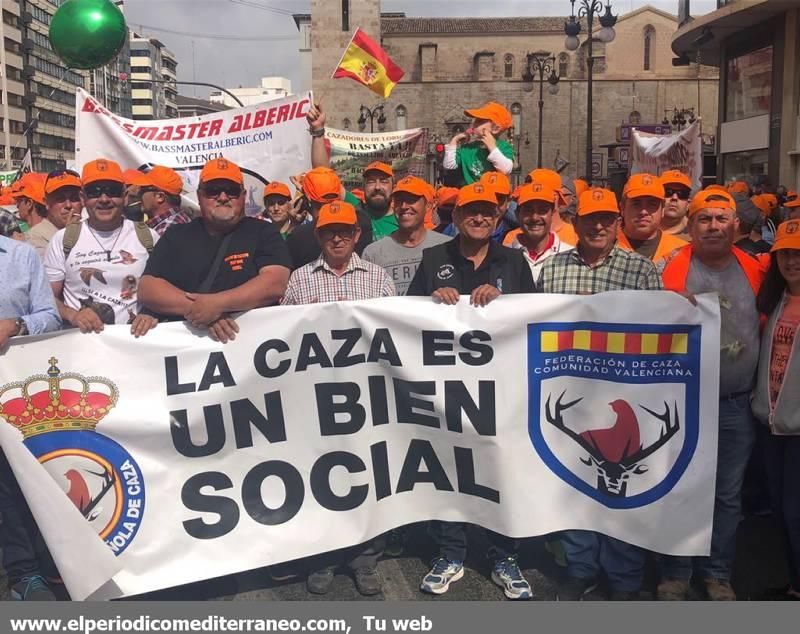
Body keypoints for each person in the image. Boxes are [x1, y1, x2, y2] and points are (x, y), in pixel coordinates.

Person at [407, 182, 535, 600]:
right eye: (470, 212)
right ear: (456, 217)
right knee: (450, 469)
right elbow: (407, 319)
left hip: (502, 390)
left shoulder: (513, 262)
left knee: (503, 471)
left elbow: (534, 319)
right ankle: (450, 553)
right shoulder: (433, 258)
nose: (479, 218)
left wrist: (505, 301)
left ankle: (505, 555)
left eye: (488, 212)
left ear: (498, 218)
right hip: (448, 391)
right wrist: (431, 299)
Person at [538, 188, 660, 601]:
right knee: (575, 486)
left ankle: (624, 577)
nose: (599, 226)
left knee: (623, 493)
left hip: (623, 396)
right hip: (571, 398)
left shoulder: (641, 271)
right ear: (575, 223)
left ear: (617, 222)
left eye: (607, 218)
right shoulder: (552, 271)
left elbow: (662, 330)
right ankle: (581, 568)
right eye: (591, 218)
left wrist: (686, 310)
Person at [280, 200, 392, 596]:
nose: (338, 236)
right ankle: (323, 556)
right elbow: (282, 339)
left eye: (346, 230)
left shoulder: (378, 279)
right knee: (323, 476)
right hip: (316, 397)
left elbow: (393, 336)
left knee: (368, 476)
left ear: (358, 234)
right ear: (318, 236)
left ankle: (365, 558)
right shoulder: (299, 280)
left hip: (366, 396)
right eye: (330, 231)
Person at [659, 188, 767, 600]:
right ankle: (675, 573)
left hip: (735, 402)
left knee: (726, 493)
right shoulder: (670, 268)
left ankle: (717, 573)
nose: (713, 226)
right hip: (681, 403)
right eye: (705, 218)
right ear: (690, 224)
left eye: (722, 218)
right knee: (678, 487)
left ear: (736, 225)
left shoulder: (757, 269)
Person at [138, 157, 290, 343]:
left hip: (253, 349)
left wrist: (217, 304)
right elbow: (148, 288)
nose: (223, 197)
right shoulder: (176, 235)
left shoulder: (263, 232)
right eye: (213, 191)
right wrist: (199, 309)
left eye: (232, 191)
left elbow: (275, 283)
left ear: (243, 195)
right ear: (200, 196)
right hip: (189, 351)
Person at [0, 233, 61, 601]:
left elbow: (49, 316)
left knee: (12, 482)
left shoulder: (20, 255)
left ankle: (25, 572)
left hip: (10, 388)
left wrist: (16, 326)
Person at [44, 159, 160, 336]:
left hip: (137, 345)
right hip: (83, 345)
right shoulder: (63, 239)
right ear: (83, 198)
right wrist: (74, 315)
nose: (104, 199)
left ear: (125, 195)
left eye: (111, 191)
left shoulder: (148, 237)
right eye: (94, 192)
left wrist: (151, 314)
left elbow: (166, 289)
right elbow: (46, 297)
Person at [752, 219, 800, 600]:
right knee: (783, 513)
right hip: (771, 423)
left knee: (795, 512)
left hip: (798, 427)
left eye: (799, 253)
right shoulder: (773, 300)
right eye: (785, 253)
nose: (792, 260)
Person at [362, 176, 451, 295]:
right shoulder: (373, 253)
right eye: (399, 201)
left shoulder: (448, 246)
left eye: (411, 200)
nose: (404, 206)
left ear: (428, 206)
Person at [286, 167, 373, 269]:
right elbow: (355, 207)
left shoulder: (299, 236)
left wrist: (293, 225)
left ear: (308, 197)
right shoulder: (361, 222)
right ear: (339, 194)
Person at [616, 173, 687, 268]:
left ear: (662, 210)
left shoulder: (681, 250)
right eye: (636, 204)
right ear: (622, 208)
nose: (644, 211)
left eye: (652, 205)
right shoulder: (606, 247)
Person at [506, 181, 573, 280]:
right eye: (528, 210)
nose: (535, 218)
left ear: (552, 214)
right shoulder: (502, 257)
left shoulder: (571, 257)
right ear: (517, 214)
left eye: (542, 210)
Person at [443, 102, 514, 185]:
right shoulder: (468, 148)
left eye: (480, 121)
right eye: (475, 120)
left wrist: (492, 147)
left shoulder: (503, 147)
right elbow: (449, 165)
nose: (475, 124)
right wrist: (454, 141)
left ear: (496, 128)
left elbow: (506, 169)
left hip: (493, 195)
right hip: (472, 194)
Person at [504, 169, 578, 248]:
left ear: (555, 199)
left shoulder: (576, 236)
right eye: (528, 206)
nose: (535, 217)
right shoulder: (513, 237)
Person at [27, 170, 83, 258]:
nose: (68, 205)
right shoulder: (35, 237)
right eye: (60, 199)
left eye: (74, 198)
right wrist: (68, 237)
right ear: (46, 203)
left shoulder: (91, 231)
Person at [132, 166, 192, 236]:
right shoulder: (175, 221)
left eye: (143, 189)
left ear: (160, 197)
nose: (138, 193)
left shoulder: (167, 230)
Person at [660, 170, 692, 241]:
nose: (674, 198)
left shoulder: (697, 236)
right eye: (668, 192)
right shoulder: (642, 231)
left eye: (682, 194)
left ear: (688, 204)